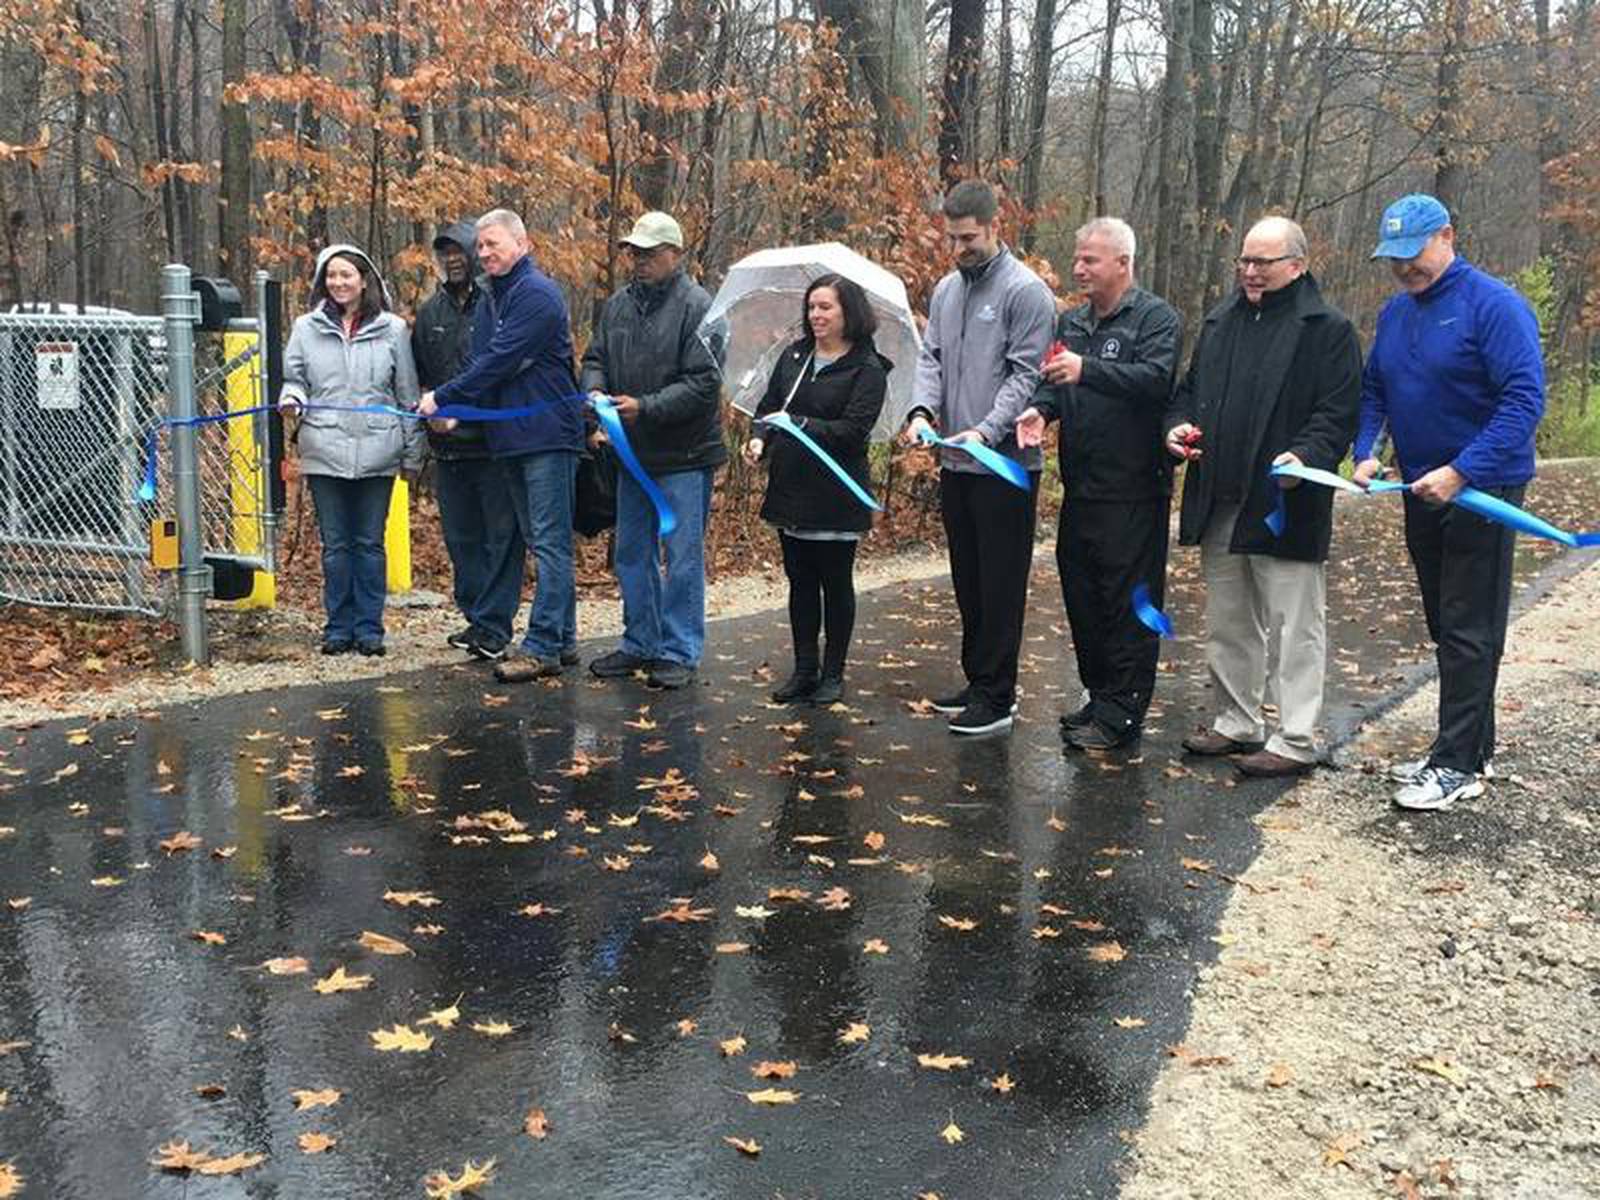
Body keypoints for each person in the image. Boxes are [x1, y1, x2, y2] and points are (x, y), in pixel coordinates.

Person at [1354, 194, 1545, 810]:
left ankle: (1456, 764)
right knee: (1446, 622)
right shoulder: (1395, 312)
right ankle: (1468, 748)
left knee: (1470, 625)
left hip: (1484, 490)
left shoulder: (1494, 305)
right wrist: (1365, 449)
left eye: (1414, 257)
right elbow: (1376, 388)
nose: (1405, 270)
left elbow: (1523, 403)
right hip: (1421, 488)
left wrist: (1462, 471)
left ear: (1447, 238)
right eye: (1394, 260)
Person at [1164, 216, 1361, 777]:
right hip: (1220, 497)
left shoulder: (1327, 330)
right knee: (1229, 618)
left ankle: (1296, 737)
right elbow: (1187, 394)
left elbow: (1337, 413)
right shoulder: (1221, 322)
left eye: (1262, 263)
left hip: (1284, 502)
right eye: (1244, 261)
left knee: (1295, 623)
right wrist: (1175, 430)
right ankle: (1237, 720)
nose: (1249, 272)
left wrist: (1308, 456)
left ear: (1296, 265)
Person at [1015, 217, 1183, 750]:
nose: (1079, 268)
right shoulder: (1072, 324)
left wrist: (1087, 370)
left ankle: (1125, 710)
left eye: (1091, 259)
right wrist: (1040, 414)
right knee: (1083, 594)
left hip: (1134, 490)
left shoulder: (1156, 320)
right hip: (1082, 488)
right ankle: (1100, 694)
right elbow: (1053, 383)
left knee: (1127, 601)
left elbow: (1156, 382)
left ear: (1123, 264)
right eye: (1078, 257)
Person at [902, 179, 1055, 736]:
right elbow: (933, 358)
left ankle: (999, 695)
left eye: (968, 237)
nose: (959, 247)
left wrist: (986, 433)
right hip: (955, 463)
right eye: (952, 237)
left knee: (1001, 582)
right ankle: (978, 677)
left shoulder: (1025, 292)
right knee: (968, 577)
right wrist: (921, 412)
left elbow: (1026, 375)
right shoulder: (947, 290)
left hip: (1005, 465)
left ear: (995, 227)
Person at [419, 209, 585, 683]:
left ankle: (542, 646)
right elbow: (484, 364)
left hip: (547, 437)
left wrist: (443, 397)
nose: (484, 253)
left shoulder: (538, 295)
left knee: (550, 543)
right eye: (482, 247)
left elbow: (498, 360)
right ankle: (564, 637)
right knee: (539, 540)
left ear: (522, 244)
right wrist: (457, 412)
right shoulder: (495, 296)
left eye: (493, 244)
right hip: (508, 439)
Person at [579, 212, 723, 690]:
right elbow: (595, 358)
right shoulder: (617, 306)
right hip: (630, 454)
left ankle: (679, 648)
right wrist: (596, 392)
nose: (638, 261)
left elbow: (704, 384)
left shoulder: (698, 306)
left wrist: (647, 407)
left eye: (648, 253)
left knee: (681, 555)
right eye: (633, 253)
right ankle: (640, 641)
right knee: (631, 552)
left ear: (674, 254)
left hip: (683, 456)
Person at [745, 275, 889, 705]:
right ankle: (804, 669)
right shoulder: (794, 357)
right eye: (812, 308)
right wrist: (760, 437)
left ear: (849, 312)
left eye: (826, 307)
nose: (816, 316)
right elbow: (769, 408)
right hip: (791, 488)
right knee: (800, 581)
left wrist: (802, 424)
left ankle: (833, 673)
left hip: (836, 493)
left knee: (834, 582)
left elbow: (853, 431)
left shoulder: (868, 368)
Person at [279, 244, 422, 657]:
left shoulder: (393, 329)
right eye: (332, 275)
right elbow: (295, 378)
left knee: (369, 543)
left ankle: (370, 628)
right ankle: (338, 627)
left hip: (378, 450)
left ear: (364, 280)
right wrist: (293, 398)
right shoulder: (306, 328)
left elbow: (407, 394)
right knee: (336, 545)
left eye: (347, 275)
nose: (339, 283)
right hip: (324, 448)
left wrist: (412, 455)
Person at [412, 222, 526, 662]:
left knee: (502, 537)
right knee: (462, 539)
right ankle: (477, 618)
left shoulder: (498, 302)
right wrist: (434, 420)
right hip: (447, 448)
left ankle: (496, 625)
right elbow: (421, 376)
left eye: (460, 250)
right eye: (445, 254)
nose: (454, 259)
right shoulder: (429, 314)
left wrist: (465, 411)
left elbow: (502, 368)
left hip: (494, 442)